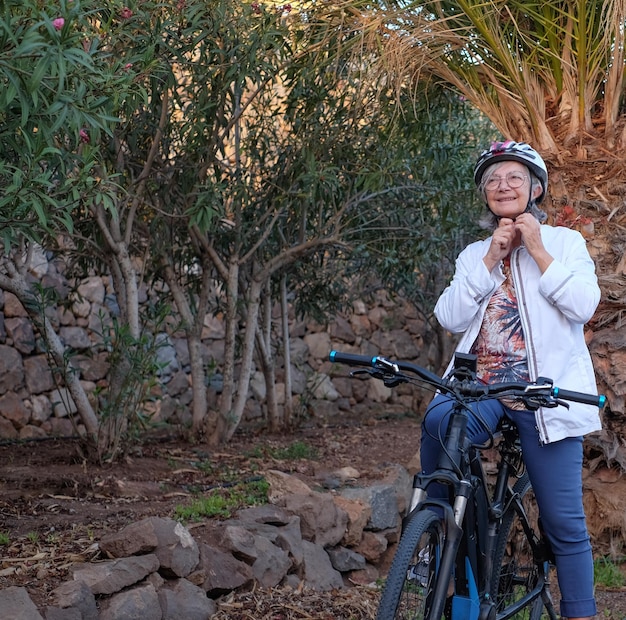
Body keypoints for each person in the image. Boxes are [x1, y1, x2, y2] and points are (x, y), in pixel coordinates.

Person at [421, 140, 602, 620]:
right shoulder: (475, 253)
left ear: (536, 188)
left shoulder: (566, 244)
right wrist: (489, 261)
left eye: (514, 178)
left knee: (564, 522)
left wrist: (538, 250)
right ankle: (439, 547)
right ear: (485, 196)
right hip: (479, 386)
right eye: (492, 181)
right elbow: (449, 316)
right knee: (439, 421)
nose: (502, 186)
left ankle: (580, 613)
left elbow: (584, 305)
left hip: (543, 395)